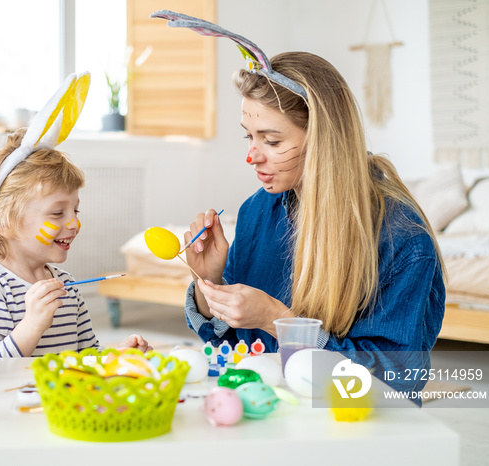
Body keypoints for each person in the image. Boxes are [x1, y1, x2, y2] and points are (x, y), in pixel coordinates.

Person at [154, 12, 445, 402]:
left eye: (271, 141)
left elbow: (393, 380)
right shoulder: (260, 210)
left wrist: (280, 321)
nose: (252, 156)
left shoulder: (401, 239)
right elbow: (236, 345)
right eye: (249, 137)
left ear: (324, 138)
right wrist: (210, 283)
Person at [0, 73, 151, 465]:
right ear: (4, 222)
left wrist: (116, 359)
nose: (73, 222)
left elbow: (85, 358)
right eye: (57, 212)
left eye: (75, 210)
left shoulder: (64, 285)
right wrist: (30, 327)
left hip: (49, 439)